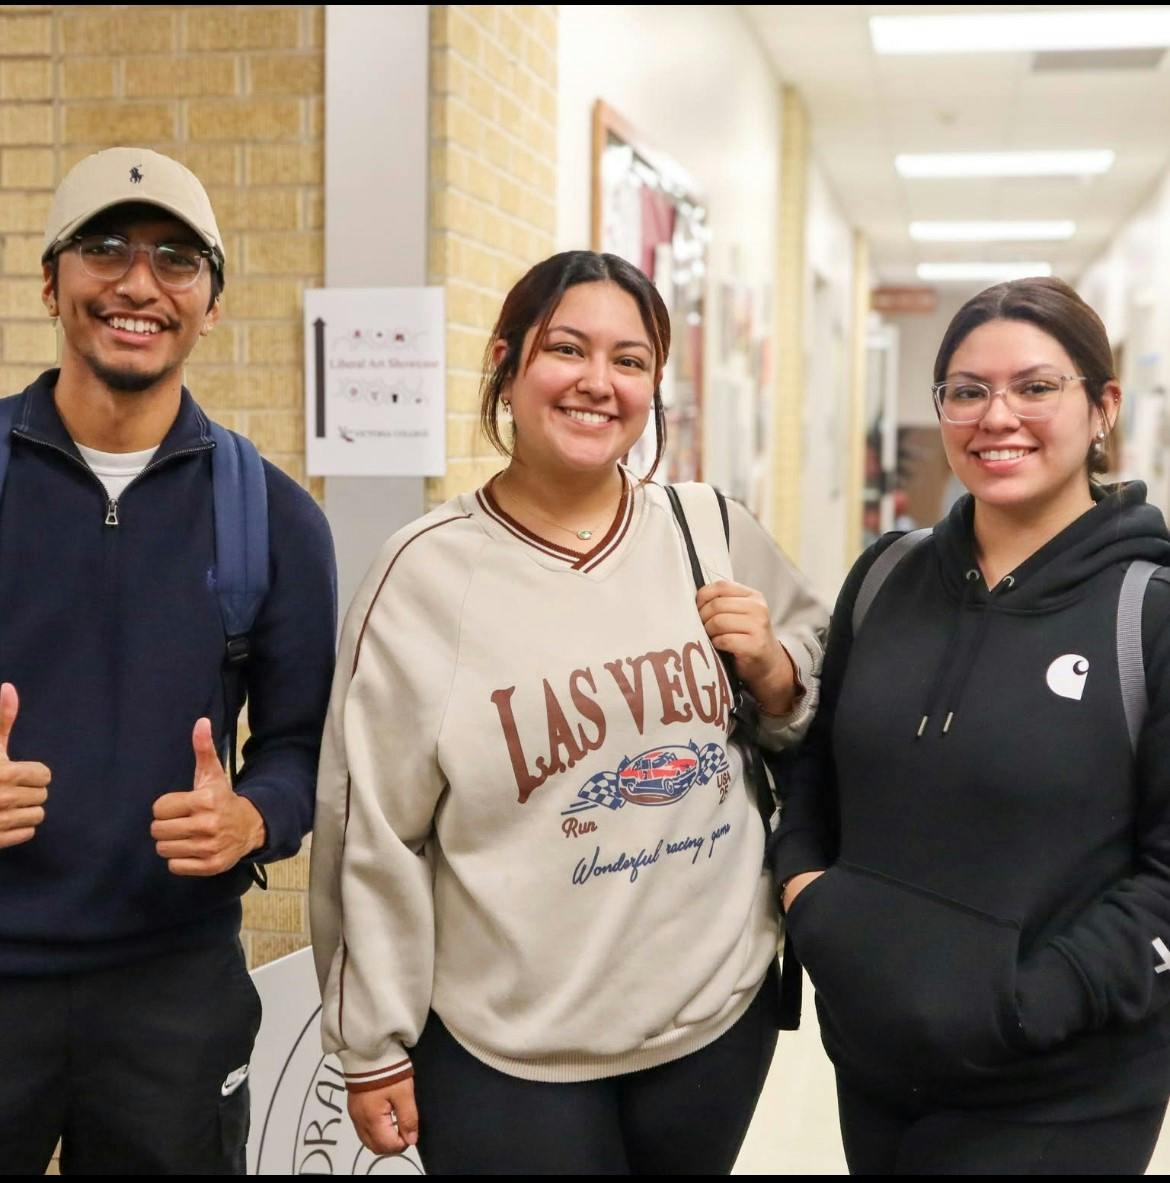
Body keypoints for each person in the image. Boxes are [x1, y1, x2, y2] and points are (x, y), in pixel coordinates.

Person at [310, 250, 827, 1174]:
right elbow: (370, 828)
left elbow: (810, 695)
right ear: (508, 365)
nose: (599, 382)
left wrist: (776, 673)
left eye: (630, 361)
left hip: (713, 1020)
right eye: (568, 349)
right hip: (508, 1048)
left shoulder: (707, 527)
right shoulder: (424, 574)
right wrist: (374, 1040)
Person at [774, 276, 1170, 1174]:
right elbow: (816, 768)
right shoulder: (886, 576)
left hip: (1064, 1093)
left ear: (1102, 406)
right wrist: (810, 899)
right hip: (875, 1069)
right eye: (966, 390)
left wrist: (1031, 1001)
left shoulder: (1148, 611)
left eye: (1036, 387)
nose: (999, 416)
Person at [0, 147, 337, 1174]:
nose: (139, 282)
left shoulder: (272, 516)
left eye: (176, 259)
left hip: (173, 992)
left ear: (211, 304)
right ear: (52, 281)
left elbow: (303, 743)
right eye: (105, 248)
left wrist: (253, 817)